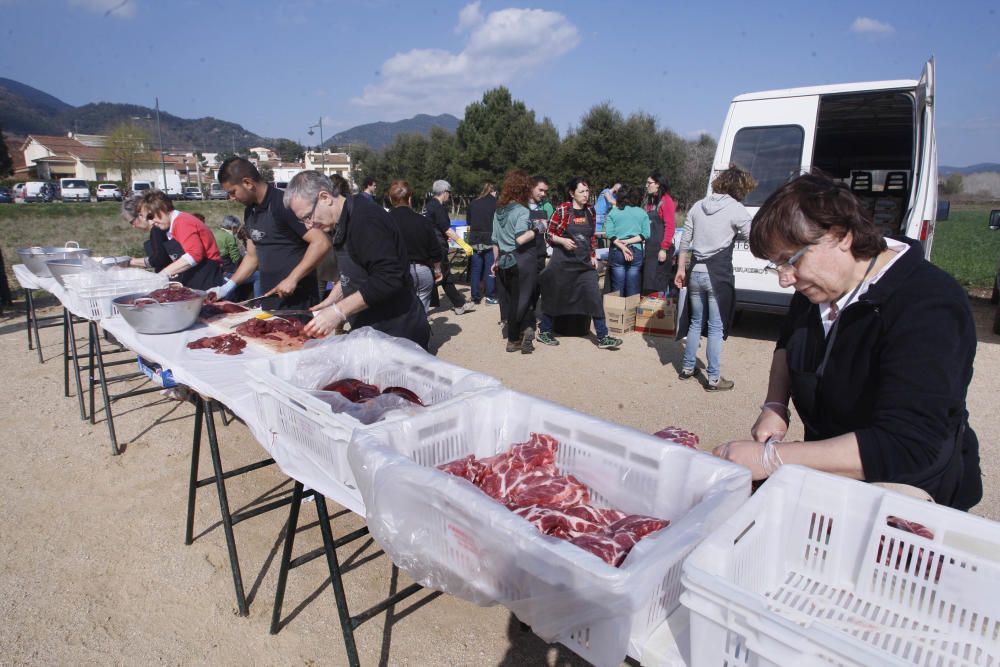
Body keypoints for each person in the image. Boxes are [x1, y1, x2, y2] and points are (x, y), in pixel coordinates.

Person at [714, 172, 981, 511]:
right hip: (830, 479)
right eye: (776, 266)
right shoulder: (815, 289)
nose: (784, 279)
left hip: (906, 499)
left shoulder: (928, 304)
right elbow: (787, 341)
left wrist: (771, 459)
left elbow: (906, 444)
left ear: (840, 234)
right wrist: (775, 406)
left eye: (791, 260)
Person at [284, 171, 431, 350]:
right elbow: (358, 270)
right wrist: (334, 299)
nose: (309, 225)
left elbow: (388, 277)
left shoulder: (365, 220)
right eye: (303, 221)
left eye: (308, 216)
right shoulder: (341, 220)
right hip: (371, 327)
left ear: (324, 197)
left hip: (396, 330)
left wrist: (338, 312)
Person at [674, 166, 756, 391]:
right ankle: (713, 379)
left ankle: (687, 368)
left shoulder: (697, 206)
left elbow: (684, 241)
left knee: (694, 322)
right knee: (715, 327)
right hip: (718, 276)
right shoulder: (737, 210)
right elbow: (753, 238)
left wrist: (681, 268)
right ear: (740, 187)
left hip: (695, 272)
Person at [210, 157, 330, 309]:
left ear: (247, 183)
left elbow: (321, 242)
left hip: (298, 300)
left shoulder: (283, 204)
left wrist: (293, 278)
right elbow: (252, 257)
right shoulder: (250, 211)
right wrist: (227, 287)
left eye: (233, 192)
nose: (232, 198)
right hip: (269, 298)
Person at [537, 177, 622, 350]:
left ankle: (603, 337)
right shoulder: (562, 210)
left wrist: (592, 254)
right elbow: (547, 234)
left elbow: (591, 237)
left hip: (584, 265)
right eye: (581, 192)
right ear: (572, 193)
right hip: (562, 263)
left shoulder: (591, 211)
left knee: (594, 296)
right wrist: (562, 241)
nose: (586, 195)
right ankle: (544, 331)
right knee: (554, 295)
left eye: (587, 191)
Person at [491, 170, 540, 354]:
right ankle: (513, 340)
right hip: (519, 260)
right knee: (521, 300)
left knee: (513, 300)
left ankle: (522, 332)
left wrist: (495, 261)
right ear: (524, 189)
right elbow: (520, 238)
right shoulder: (522, 211)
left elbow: (494, 239)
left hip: (503, 260)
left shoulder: (499, 211)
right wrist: (535, 230)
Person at [137, 190, 225, 289]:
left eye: (151, 216)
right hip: (195, 277)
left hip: (207, 279)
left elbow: (194, 255)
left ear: (163, 208)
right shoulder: (173, 225)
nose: (151, 223)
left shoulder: (182, 222)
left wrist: (162, 274)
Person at [387, 179, 443, 313]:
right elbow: (435, 249)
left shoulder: (384, 221)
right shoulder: (423, 221)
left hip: (395, 271)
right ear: (410, 198)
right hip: (421, 270)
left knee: (399, 312)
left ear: (390, 198)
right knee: (421, 313)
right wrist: (437, 269)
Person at [424, 179, 474, 315]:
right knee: (444, 275)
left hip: (429, 244)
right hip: (437, 246)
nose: (449, 195)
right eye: (449, 192)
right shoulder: (438, 207)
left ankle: (430, 304)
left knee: (435, 275)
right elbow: (447, 229)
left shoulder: (429, 206)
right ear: (444, 192)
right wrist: (463, 244)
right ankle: (460, 304)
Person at [604, 185, 650, 297]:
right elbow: (646, 234)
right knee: (633, 288)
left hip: (617, 251)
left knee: (617, 289)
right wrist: (629, 242)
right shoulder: (642, 213)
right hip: (636, 251)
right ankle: (632, 312)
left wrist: (622, 245)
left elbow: (609, 233)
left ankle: (616, 313)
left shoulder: (613, 213)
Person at [124, 196, 183, 272]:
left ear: (140, 215)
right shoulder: (161, 227)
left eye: (132, 222)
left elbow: (160, 259)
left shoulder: (157, 230)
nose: (133, 226)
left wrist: (131, 262)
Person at [644, 172, 676, 295]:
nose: (647, 186)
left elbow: (670, 226)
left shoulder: (666, 201)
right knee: (649, 286)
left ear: (658, 184)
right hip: (650, 250)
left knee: (659, 285)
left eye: (649, 183)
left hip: (660, 251)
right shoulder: (651, 202)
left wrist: (664, 248)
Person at [466, 182, 498, 305]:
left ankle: (475, 297)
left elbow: (469, 222)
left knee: (475, 269)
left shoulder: (473, 203)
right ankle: (489, 296)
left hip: (474, 239)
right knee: (490, 268)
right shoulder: (495, 203)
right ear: (493, 191)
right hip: (490, 239)